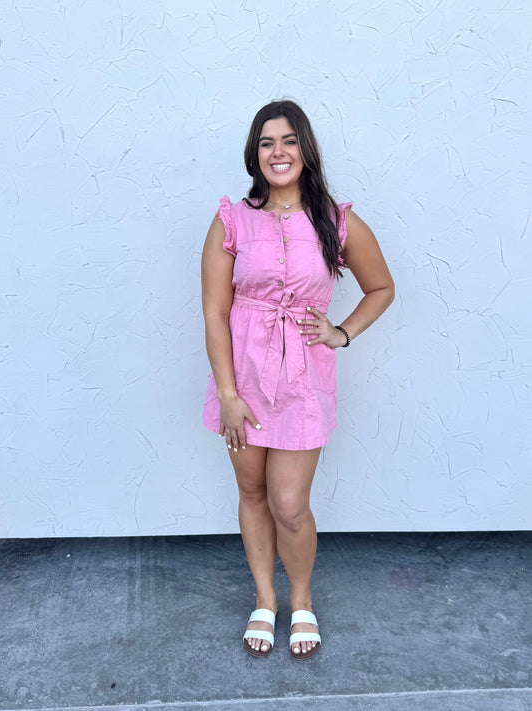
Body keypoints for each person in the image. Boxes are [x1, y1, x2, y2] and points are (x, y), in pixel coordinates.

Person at [201, 100, 394, 659]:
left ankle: (301, 598)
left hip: (302, 383)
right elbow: (215, 312)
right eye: (266, 142)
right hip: (242, 382)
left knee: (289, 504)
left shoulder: (336, 221)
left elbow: (381, 287)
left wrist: (342, 332)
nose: (278, 152)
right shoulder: (231, 221)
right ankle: (265, 598)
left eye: (288, 141)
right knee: (252, 492)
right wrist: (228, 395)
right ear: (254, 154)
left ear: (306, 150)